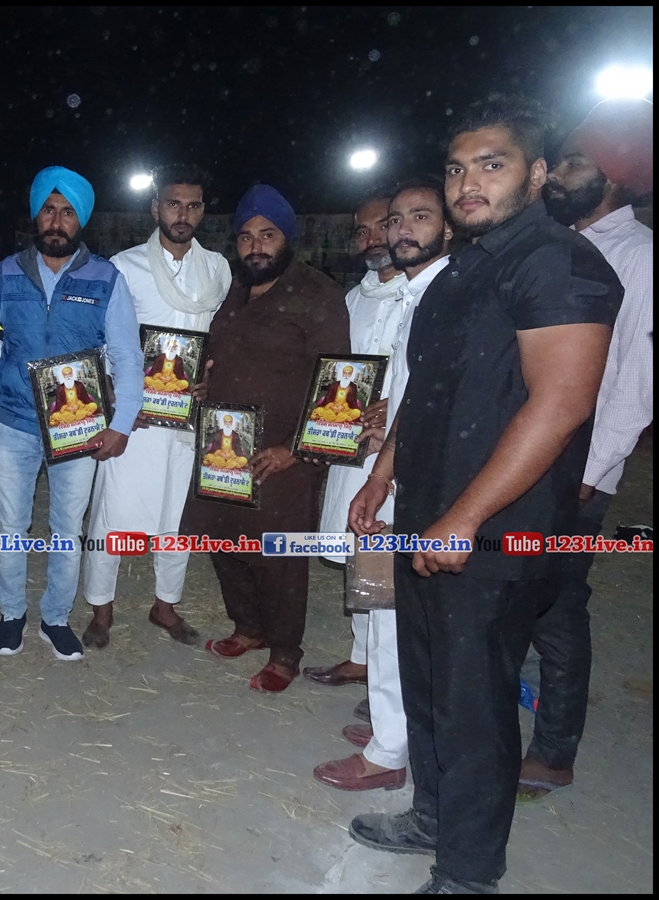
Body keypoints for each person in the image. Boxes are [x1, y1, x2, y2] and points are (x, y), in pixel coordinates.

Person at [346, 96, 622, 894]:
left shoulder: (559, 263)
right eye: (457, 169)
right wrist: (384, 474)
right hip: (426, 516)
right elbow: (427, 388)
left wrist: (466, 518)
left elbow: (561, 402)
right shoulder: (461, 270)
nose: (469, 184)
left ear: (536, 174)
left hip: (494, 533)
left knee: (475, 702)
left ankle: (469, 873)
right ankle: (433, 816)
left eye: (491, 165)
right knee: (431, 682)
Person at [524, 97, 653, 799]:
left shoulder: (641, 260)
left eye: (573, 163)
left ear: (615, 178)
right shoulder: (557, 245)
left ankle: (553, 750)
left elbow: (637, 385)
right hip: (526, 457)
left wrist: (590, 475)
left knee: (558, 606)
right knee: (507, 592)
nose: (555, 174)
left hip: (575, 474)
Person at [311, 176, 452, 793]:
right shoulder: (409, 294)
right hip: (386, 465)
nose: (396, 232)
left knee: (398, 613)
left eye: (418, 217)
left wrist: (390, 439)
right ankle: (391, 726)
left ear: (448, 226)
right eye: (392, 221)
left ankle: (390, 751)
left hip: (423, 476)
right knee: (384, 598)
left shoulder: (447, 294)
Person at [181, 183, 349, 692]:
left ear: (287, 238)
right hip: (225, 442)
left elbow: (338, 384)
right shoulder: (235, 290)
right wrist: (205, 383)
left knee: (278, 557)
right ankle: (248, 627)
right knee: (224, 540)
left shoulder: (317, 294)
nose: (255, 246)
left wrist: (294, 449)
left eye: (267, 235)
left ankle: (285, 651)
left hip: (282, 451)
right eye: (246, 236)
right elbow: (224, 355)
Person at [0, 166, 144, 660]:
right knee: (11, 526)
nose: (57, 221)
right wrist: (9, 371)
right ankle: (12, 613)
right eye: (49, 210)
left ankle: (55, 617)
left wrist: (121, 423)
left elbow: (127, 354)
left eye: (68, 213)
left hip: (78, 428)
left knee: (66, 529)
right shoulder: (6, 273)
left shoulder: (107, 278)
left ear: (82, 220)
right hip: (14, 422)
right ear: (36, 216)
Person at [81, 164, 232, 649]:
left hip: (187, 418)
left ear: (203, 211)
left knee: (176, 516)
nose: (182, 214)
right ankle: (101, 608)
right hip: (136, 417)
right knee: (112, 512)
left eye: (192, 205)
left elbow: (220, 339)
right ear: (155, 208)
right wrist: (117, 399)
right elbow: (103, 341)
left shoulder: (218, 270)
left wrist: (211, 377)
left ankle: (165, 605)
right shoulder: (124, 267)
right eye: (173, 204)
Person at [303, 192, 405, 690]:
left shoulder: (426, 293)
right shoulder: (352, 299)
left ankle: (394, 679)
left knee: (390, 558)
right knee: (362, 551)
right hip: (352, 447)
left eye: (382, 226)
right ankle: (363, 658)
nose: (372, 239)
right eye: (362, 231)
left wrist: (399, 403)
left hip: (402, 449)